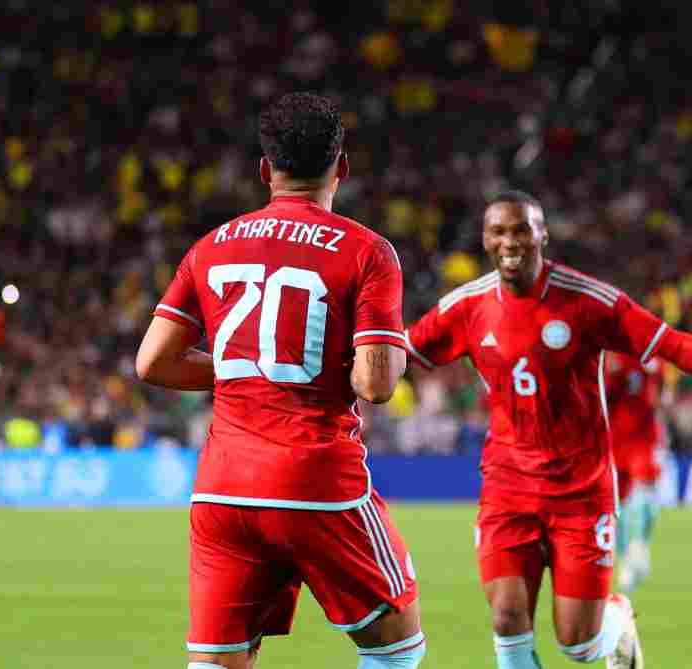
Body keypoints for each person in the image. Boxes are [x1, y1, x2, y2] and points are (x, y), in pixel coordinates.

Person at [404, 191, 692, 669]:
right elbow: (396, 352)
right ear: (485, 240)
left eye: (521, 230)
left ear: (542, 236)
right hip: (507, 486)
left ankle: (618, 622)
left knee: (578, 645)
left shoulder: (587, 301)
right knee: (507, 615)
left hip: (580, 491)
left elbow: (673, 345)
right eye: (498, 231)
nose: (509, 241)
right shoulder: (466, 305)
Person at [136, 93, 425, 669]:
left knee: (218, 662)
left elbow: (152, 363)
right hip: (315, 483)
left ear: (265, 170)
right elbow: (376, 384)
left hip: (222, 488)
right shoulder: (369, 252)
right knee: (397, 648)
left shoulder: (211, 246)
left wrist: (252, 366)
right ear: (342, 167)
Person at [603, 352, 663, 592]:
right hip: (611, 440)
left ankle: (640, 546)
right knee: (615, 505)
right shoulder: (608, 355)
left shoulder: (651, 357)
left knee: (645, 492)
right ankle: (626, 559)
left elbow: (656, 398)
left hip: (642, 438)